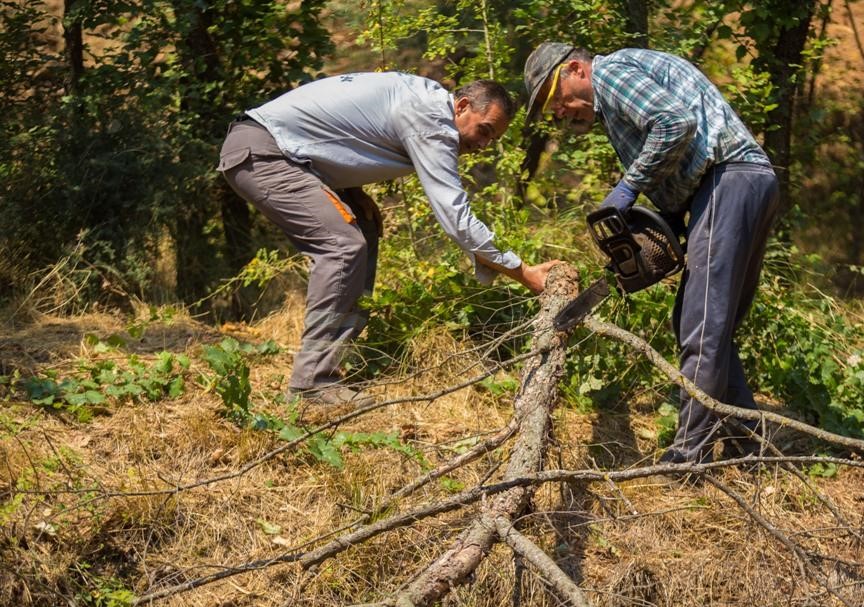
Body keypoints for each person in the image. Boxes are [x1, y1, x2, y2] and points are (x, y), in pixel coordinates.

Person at [218, 73, 561, 405]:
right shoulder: (432, 119)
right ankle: (312, 383)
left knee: (362, 225)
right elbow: (456, 217)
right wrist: (522, 271)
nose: (483, 145)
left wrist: (351, 191)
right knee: (342, 246)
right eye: (484, 131)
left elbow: (333, 131)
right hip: (263, 153)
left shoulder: (420, 99)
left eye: (492, 140)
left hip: (283, 152)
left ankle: (332, 363)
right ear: (462, 106)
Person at [523, 42, 780, 466]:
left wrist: (628, 188)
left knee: (701, 327)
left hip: (727, 181)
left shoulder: (611, 75)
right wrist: (662, 231)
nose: (561, 114)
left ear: (575, 70)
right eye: (554, 112)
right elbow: (680, 148)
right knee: (700, 322)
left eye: (558, 101)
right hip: (733, 184)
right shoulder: (612, 98)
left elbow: (674, 124)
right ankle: (749, 444)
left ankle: (687, 455)